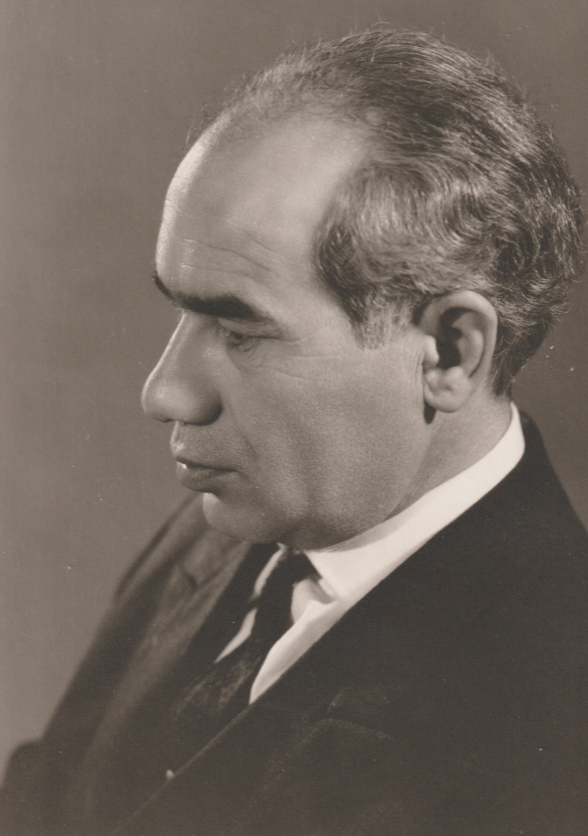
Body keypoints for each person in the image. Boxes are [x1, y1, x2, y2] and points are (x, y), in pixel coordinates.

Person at [1, 29, 587, 836]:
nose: (164, 392)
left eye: (240, 330)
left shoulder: (551, 724)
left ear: (451, 352)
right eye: (182, 312)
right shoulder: (220, 532)